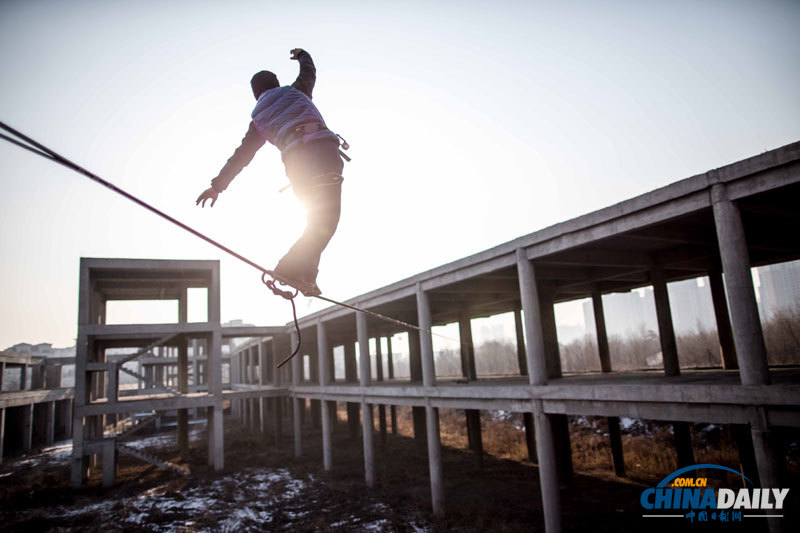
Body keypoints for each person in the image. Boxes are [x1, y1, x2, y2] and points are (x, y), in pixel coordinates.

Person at [196, 48, 345, 296]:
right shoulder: (295, 92)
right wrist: (302, 55)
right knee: (326, 220)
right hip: (321, 155)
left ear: (255, 95)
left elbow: (241, 156)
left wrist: (217, 186)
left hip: (296, 166)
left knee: (316, 221)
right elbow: (308, 72)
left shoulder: (258, 119)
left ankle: (306, 276)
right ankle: (290, 268)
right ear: (276, 83)